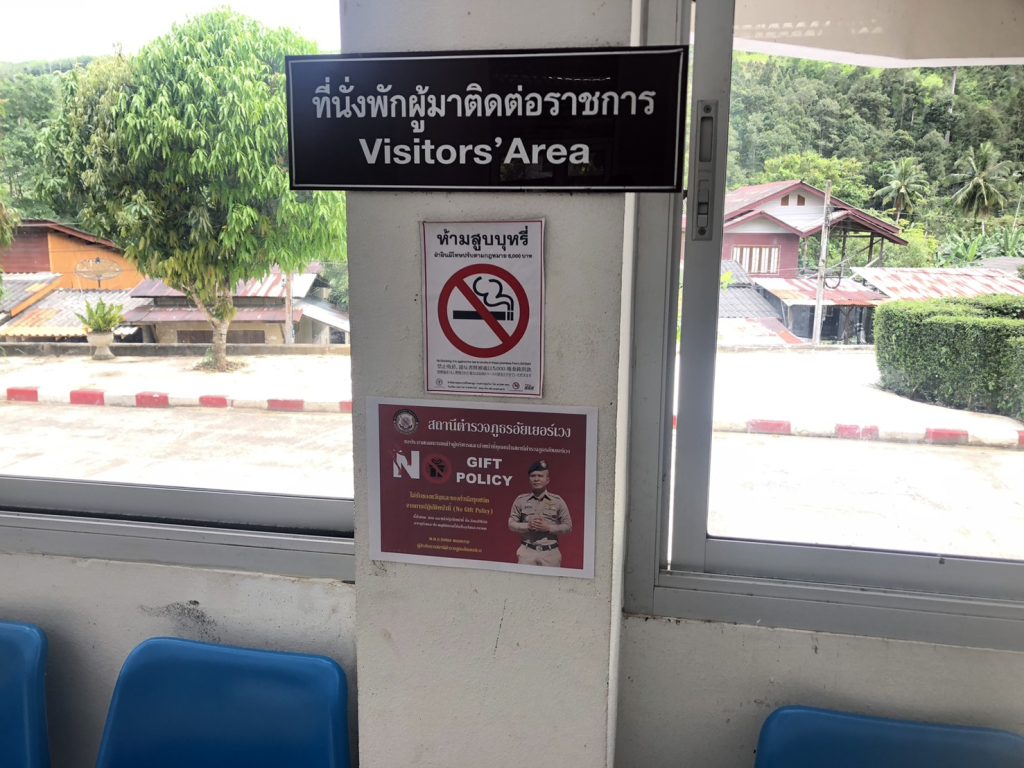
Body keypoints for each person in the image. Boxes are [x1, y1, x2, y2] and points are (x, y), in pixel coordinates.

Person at [508, 459, 572, 567]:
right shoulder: (520, 500)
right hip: (527, 553)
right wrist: (527, 526)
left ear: (547, 480)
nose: (536, 479)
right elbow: (511, 524)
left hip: (550, 554)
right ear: (529, 479)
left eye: (540, 476)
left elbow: (568, 527)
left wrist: (548, 528)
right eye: (533, 476)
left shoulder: (557, 501)